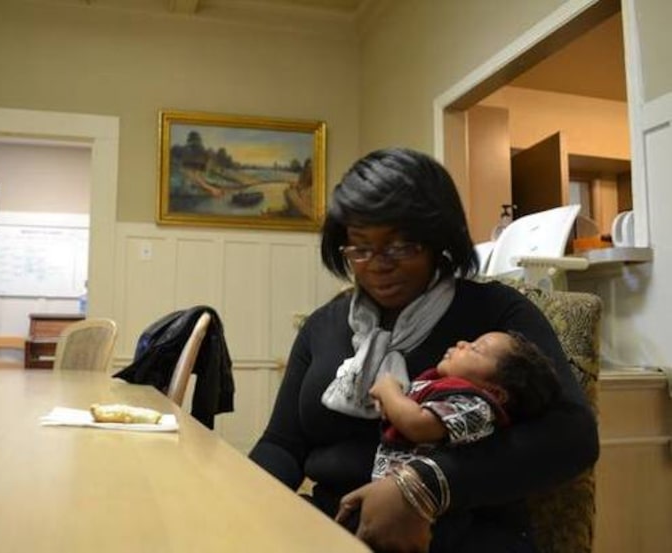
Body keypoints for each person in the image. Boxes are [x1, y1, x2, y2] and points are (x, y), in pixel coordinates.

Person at [248, 148, 598, 552]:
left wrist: (427, 484)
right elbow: (283, 445)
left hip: (462, 533)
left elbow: (573, 436)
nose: (378, 264)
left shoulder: (495, 313)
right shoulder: (323, 325)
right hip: (333, 529)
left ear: (437, 242)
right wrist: (240, 498)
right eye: (360, 248)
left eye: (400, 247)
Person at [368, 330, 560, 482]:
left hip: (431, 515)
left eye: (476, 349)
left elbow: (418, 425)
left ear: (495, 393)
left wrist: (389, 390)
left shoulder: (477, 406)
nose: (462, 343)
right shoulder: (442, 387)